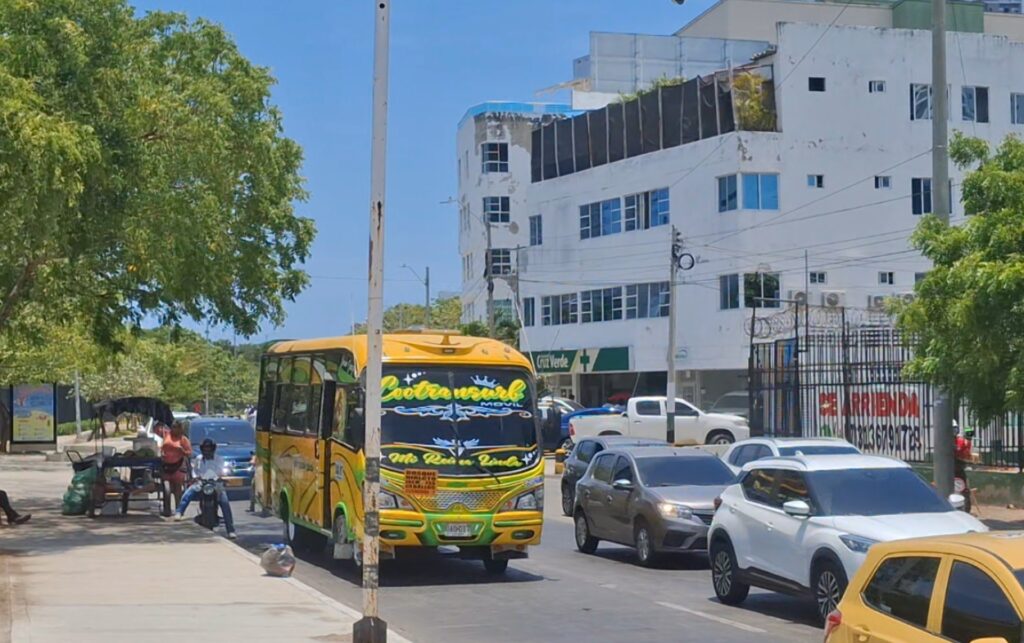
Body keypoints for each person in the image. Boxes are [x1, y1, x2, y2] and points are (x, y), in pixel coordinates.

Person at [174, 438, 236, 539]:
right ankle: (179, 512)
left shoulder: (219, 459)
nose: (207, 451)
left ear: (213, 449)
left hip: (215, 484)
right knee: (189, 492)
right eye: (205, 448)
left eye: (209, 448)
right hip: (201, 482)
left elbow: (221, 472)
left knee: (224, 502)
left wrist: (221, 477)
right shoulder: (198, 459)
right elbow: (195, 471)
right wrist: (196, 478)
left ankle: (231, 530)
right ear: (202, 449)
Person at [159, 421, 192, 516]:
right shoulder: (167, 436)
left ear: (180, 429)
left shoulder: (183, 439)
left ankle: (179, 510)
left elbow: (189, 453)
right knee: (166, 488)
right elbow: (163, 447)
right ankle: (167, 509)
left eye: (176, 427)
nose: (174, 429)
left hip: (178, 465)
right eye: (173, 427)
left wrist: (182, 450)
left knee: (178, 488)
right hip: (166, 465)